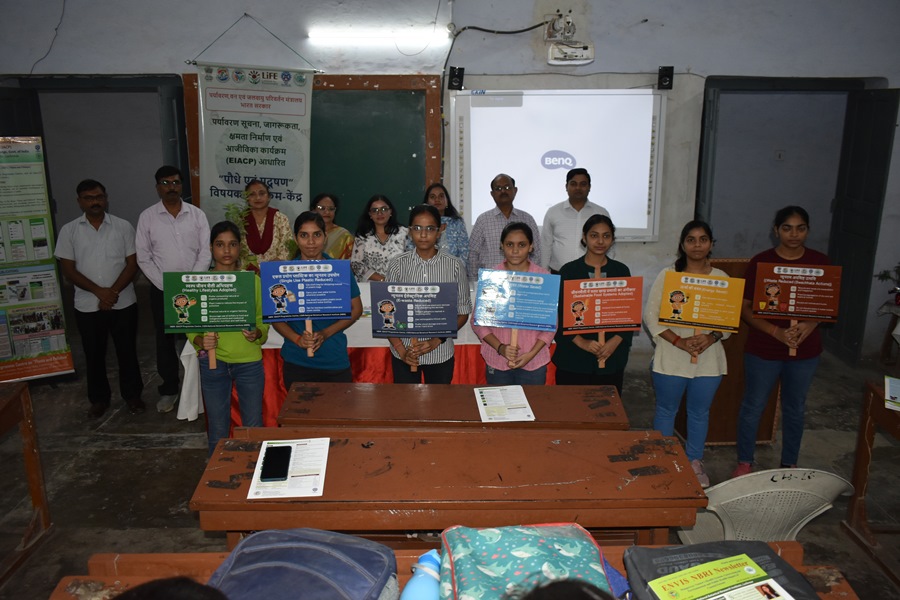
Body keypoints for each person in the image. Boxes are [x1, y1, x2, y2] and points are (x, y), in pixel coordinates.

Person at [733, 206, 829, 477]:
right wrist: (775, 332)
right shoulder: (761, 262)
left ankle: (790, 463)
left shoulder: (821, 262)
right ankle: (744, 461)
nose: (794, 234)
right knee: (753, 405)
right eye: (787, 228)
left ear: (808, 230)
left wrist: (810, 325)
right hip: (764, 349)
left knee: (795, 407)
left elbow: (826, 307)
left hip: (805, 351)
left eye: (800, 228)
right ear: (776, 230)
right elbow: (746, 308)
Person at [644, 221, 730, 488]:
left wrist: (711, 336)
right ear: (682, 244)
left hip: (708, 359)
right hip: (671, 356)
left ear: (711, 244)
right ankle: (664, 461)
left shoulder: (722, 279)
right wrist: (679, 342)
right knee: (667, 410)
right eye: (691, 240)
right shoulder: (668, 275)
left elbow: (727, 322)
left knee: (699, 413)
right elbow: (651, 316)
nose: (697, 245)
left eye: (703, 239)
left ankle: (694, 461)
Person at [55, 179, 144, 418]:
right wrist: (99, 291)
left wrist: (112, 292)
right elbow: (69, 270)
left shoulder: (123, 226)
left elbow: (132, 264)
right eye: (89, 198)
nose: (95, 202)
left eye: (99, 197)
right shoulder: (69, 230)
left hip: (123, 302)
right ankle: (99, 399)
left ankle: (133, 396)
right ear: (79, 201)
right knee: (93, 354)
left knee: (127, 352)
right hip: (87, 305)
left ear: (106, 198)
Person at [187, 222, 267, 455]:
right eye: (220, 244)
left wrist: (257, 334)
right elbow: (190, 325)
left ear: (239, 248)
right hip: (213, 363)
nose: (226, 250)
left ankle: (253, 472)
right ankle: (215, 477)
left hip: (249, 363)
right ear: (211, 248)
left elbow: (262, 321)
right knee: (218, 428)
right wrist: (201, 341)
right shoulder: (199, 283)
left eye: (232, 244)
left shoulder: (251, 281)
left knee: (253, 425)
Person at [136, 166, 211, 414]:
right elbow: (144, 257)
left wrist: (191, 283)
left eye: (176, 182)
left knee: (199, 338)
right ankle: (170, 389)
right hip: (162, 290)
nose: (172, 187)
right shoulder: (147, 217)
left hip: (196, 288)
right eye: (166, 182)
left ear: (182, 186)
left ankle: (201, 387)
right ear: (157, 186)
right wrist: (167, 287)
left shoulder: (197, 215)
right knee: (165, 342)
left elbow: (205, 252)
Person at [273, 212, 363, 388]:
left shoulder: (339, 270)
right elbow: (276, 317)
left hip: (334, 360)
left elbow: (356, 309)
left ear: (325, 237)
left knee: (336, 415)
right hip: (297, 362)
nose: (311, 242)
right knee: (300, 415)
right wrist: (297, 339)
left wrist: (325, 333)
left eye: (316, 234)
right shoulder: (283, 274)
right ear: (295, 238)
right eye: (304, 235)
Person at [386, 204, 472, 384]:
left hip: (440, 353)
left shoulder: (454, 265)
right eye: (417, 228)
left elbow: (463, 312)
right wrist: (401, 351)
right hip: (404, 353)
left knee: (439, 407)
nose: (423, 234)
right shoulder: (396, 265)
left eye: (430, 229)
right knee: (407, 407)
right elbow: (387, 315)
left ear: (439, 231)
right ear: (410, 231)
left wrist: (436, 340)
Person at [552, 214, 632, 393]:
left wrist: (614, 342)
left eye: (606, 235)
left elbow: (628, 314)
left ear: (612, 239)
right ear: (584, 237)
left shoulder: (621, 271)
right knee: (573, 411)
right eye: (594, 235)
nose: (600, 241)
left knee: (607, 413)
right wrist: (582, 342)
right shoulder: (569, 271)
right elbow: (559, 314)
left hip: (611, 356)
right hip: (574, 357)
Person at [472, 222, 554, 385]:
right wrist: (501, 348)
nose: (515, 251)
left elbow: (550, 326)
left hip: (533, 361)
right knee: (499, 408)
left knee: (531, 406)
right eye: (510, 244)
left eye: (522, 245)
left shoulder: (543, 278)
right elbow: (478, 323)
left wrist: (531, 354)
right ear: (502, 246)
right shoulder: (493, 278)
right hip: (497, 360)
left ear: (531, 246)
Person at [468, 173, 542, 280]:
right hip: (491, 282)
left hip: (524, 281)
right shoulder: (483, 220)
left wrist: (531, 277)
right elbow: (473, 254)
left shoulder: (527, 219)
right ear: (492, 194)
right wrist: (474, 281)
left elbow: (537, 252)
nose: (503, 191)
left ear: (515, 190)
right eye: (498, 189)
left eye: (507, 187)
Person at [540, 168, 610, 273]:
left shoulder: (601, 212)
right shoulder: (553, 212)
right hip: (559, 273)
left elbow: (610, 247)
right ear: (566, 187)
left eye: (583, 184)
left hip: (592, 275)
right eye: (573, 184)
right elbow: (546, 245)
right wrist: (544, 273)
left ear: (589, 187)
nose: (578, 188)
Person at [350, 194, 408, 282]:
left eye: (384, 209)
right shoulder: (363, 236)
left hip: (399, 286)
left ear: (390, 212)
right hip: (368, 288)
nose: (379, 213)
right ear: (370, 214)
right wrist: (384, 281)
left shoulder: (404, 233)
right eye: (374, 210)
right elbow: (356, 264)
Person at [239, 179, 293, 270]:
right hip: (247, 273)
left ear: (269, 197)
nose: (258, 198)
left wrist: (270, 268)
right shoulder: (240, 221)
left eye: (262, 193)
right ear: (247, 198)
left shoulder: (280, 219)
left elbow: (287, 248)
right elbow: (237, 251)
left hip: (275, 271)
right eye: (252, 194)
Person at [420, 182, 469, 264]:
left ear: (447, 202)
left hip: (452, 272)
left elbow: (465, 253)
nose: (437, 200)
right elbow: (412, 249)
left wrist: (454, 271)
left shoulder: (457, 223)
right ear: (427, 202)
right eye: (432, 197)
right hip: (424, 271)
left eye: (441, 196)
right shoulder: (420, 223)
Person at [313, 192, 354, 260]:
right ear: (313, 210)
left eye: (331, 209)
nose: (327, 212)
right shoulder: (307, 233)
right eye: (322, 208)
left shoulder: (344, 235)